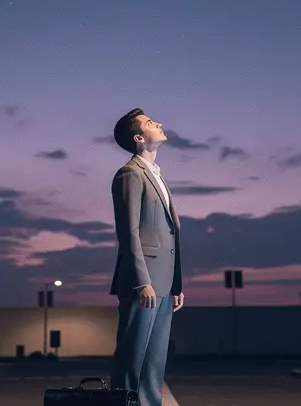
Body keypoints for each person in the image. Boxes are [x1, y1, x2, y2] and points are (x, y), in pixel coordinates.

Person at [108, 108, 184, 406]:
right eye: (151, 123)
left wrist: (176, 284)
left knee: (154, 362)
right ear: (139, 138)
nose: (159, 123)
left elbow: (169, 236)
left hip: (164, 282)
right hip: (143, 283)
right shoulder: (130, 174)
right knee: (132, 358)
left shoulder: (158, 175)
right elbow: (129, 232)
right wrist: (142, 282)